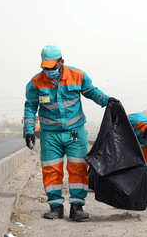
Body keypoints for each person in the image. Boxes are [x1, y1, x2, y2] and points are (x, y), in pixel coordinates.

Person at [24, 45, 118, 221]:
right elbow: (30, 106)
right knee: (51, 169)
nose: (49, 71)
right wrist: (29, 130)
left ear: (61, 62)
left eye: (52, 67)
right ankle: (55, 207)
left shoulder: (78, 76)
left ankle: (77, 206)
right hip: (50, 135)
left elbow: (91, 92)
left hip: (75, 131)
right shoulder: (36, 83)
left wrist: (106, 100)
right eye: (45, 68)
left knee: (78, 168)